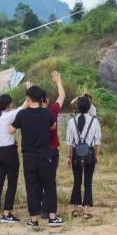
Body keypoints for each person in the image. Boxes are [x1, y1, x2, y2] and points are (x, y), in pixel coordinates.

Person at [10, 85, 63, 228]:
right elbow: (52, 126)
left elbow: (11, 130)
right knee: (50, 186)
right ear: (41, 98)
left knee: (32, 188)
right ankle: (53, 218)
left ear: (28, 98)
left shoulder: (22, 114)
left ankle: (34, 220)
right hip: (45, 156)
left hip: (29, 157)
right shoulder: (46, 113)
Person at [66, 95, 102, 219]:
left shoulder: (71, 121)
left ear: (77, 107)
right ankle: (86, 210)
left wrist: (69, 156)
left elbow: (69, 142)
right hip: (90, 153)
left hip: (76, 153)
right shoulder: (94, 121)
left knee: (77, 181)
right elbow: (97, 142)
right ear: (89, 107)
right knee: (88, 181)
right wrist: (96, 156)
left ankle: (76, 209)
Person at [0, 94, 24, 224]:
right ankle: (7, 213)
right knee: (12, 183)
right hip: (9, 152)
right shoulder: (8, 115)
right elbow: (24, 106)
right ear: (9, 104)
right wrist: (28, 91)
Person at [41, 71, 65, 220]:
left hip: (37, 152)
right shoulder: (52, 111)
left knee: (38, 181)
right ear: (47, 100)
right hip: (51, 151)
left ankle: (39, 209)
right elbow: (62, 96)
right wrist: (58, 82)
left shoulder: (29, 114)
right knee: (50, 181)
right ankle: (48, 211)